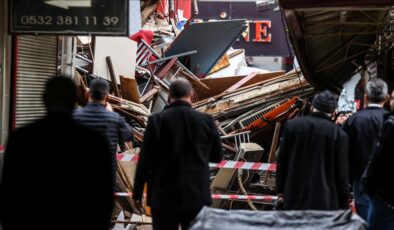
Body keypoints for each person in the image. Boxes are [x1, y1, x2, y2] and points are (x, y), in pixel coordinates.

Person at [0, 77, 114, 229]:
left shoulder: (21, 139)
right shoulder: (95, 143)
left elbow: (8, 194)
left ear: (44, 99)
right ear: (75, 100)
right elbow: (104, 198)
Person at [132, 79, 223, 230]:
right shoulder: (206, 121)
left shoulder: (156, 121)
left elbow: (144, 162)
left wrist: (137, 194)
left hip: (163, 196)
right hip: (196, 195)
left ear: (169, 97)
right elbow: (217, 157)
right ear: (191, 95)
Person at [276, 90, 349, 210]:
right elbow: (341, 173)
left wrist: (280, 190)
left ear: (312, 106)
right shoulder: (339, 135)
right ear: (332, 112)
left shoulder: (292, 126)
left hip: (294, 195)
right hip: (324, 200)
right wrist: (343, 203)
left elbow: (282, 161)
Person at [343, 78, 389, 220]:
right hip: (387, 182)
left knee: (365, 219)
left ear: (365, 97)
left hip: (360, 180)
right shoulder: (390, 120)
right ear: (386, 98)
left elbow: (344, 154)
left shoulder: (352, 121)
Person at [73, 78, 133, 179]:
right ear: (107, 98)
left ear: (87, 95)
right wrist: (110, 113)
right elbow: (128, 135)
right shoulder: (115, 118)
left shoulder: (74, 116)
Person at [362, 90, 394, 229]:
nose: (391, 101)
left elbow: (378, 159)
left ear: (366, 98)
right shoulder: (386, 120)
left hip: (385, 195)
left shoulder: (390, 124)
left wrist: (367, 183)